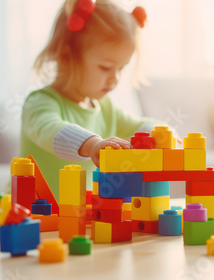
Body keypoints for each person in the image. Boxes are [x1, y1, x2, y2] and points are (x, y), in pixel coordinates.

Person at [19, 0, 167, 200]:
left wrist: (164, 137)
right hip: (29, 212)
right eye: (106, 67)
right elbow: (51, 129)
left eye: (121, 68)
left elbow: (140, 125)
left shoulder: (105, 108)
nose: (115, 78)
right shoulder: (39, 102)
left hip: (79, 215)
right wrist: (93, 144)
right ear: (66, 57)